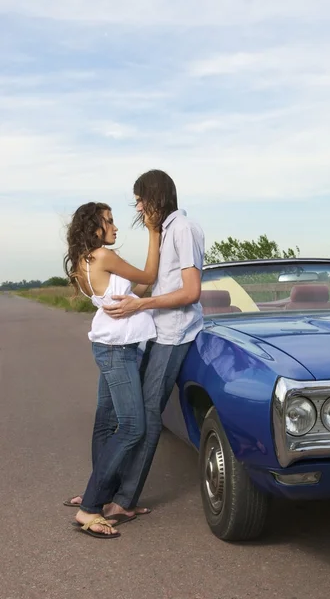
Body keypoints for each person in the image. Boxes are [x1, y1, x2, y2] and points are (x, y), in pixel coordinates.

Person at [101, 169, 205, 521]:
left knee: (146, 415)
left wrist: (139, 305)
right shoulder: (164, 232)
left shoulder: (185, 230)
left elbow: (191, 292)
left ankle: (125, 500)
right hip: (156, 332)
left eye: (142, 199)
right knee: (130, 416)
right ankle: (106, 490)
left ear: (157, 197)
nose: (139, 206)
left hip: (174, 334)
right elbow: (154, 284)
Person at [63, 201, 160, 538]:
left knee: (106, 422)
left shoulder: (85, 260)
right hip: (117, 350)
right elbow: (148, 276)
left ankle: (101, 495)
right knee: (133, 426)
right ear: (94, 228)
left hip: (110, 345)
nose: (116, 227)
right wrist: (153, 231)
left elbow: (137, 291)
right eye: (109, 221)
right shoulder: (103, 257)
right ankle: (89, 508)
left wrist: (143, 300)